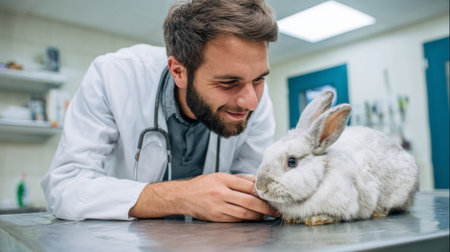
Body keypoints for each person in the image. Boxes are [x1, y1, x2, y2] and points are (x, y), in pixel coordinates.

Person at [41, 0, 279, 222]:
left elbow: (254, 187)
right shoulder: (113, 76)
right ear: (178, 71)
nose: (251, 102)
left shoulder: (255, 99)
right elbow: (65, 187)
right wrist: (181, 196)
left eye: (259, 79)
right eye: (228, 82)